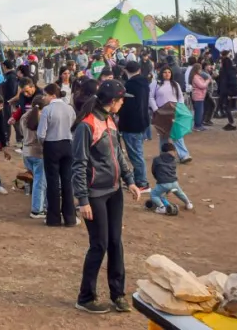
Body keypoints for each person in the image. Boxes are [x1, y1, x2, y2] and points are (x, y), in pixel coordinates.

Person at [71, 79, 141, 315]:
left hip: (114, 192)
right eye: (122, 100)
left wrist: (130, 180)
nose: (123, 104)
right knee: (99, 245)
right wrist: (83, 200)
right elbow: (78, 164)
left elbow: (118, 153)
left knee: (115, 243)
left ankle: (118, 294)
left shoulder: (110, 120)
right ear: (112, 101)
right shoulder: (86, 126)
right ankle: (86, 297)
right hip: (95, 194)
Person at [37, 83, 78, 227]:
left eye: (45, 95)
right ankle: (70, 217)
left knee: (53, 182)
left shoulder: (47, 110)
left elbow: (41, 134)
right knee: (67, 181)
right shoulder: (70, 109)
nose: (44, 98)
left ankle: (53, 219)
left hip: (51, 145)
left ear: (52, 95)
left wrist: (45, 144)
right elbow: (74, 127)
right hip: (68, 144)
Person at [116, 60, 150, 191]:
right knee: (137, 153)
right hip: (142, 122)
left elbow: (127, 106)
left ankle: (142, 182)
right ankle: (139, 180)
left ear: (125, 70)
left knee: (135, 155)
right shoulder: (144, 83)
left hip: (131, 124)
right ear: (139, 70)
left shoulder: (130, 85)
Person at [149, 67, 192, 163]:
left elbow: (180, 97)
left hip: (174, 111)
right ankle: (164, 155)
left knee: (177, 133)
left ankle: (183, 155)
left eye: (169, 72)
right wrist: (156, 109)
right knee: (164, 134)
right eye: (165, 72)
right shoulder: (155, 84)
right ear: (161, 73)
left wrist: (180, 109)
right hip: (161, 111)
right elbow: (150, 97)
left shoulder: (175, 84)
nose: (167, 74)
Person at [16, 93, 46, 219]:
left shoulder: (24, 116)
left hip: (26, 152)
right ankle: (37, 210)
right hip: (38, 153)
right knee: (40, 182)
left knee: (35, 180)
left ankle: (38, 205)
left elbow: (21, 132)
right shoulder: (42, 117)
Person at [147, 142, 193, 215]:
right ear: (173, 151)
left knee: (154, 194)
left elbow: (154, 171)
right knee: (179, 193)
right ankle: (188, 203)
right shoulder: (174, 160)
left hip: (163, 183)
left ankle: (162, 208)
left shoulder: (156, 159)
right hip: (174, 182)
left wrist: (158, 179)